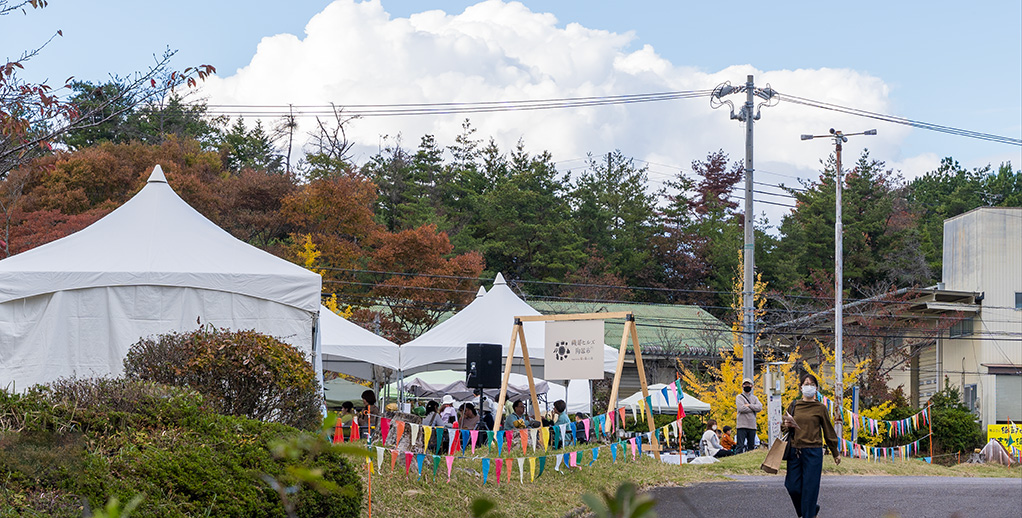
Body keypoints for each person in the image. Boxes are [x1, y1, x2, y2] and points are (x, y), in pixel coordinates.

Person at [781, 373, 840, 518]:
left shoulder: (820, 408)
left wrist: (835, 452)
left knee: (810, 489)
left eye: (812, 384)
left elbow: (828, 430)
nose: (809, 387)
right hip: (795, 451)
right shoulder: (794, 405)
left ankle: (809, 514)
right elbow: (783, 428)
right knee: (792, 486)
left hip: (813, 452)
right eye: (806, 384)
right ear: (801, 387)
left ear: (816, 388)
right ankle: (811, 509)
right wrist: (787, 425)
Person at [735, 378, 762, 453]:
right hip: (742, 425)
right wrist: (753, 408)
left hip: (752, 426)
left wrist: (749, 405)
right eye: (745, 384)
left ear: (752, 386)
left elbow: (759, 407)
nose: (747, 386)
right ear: (742, 386)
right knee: (740, 446)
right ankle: (738, 460)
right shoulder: (739, 397)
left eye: (749, 384)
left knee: (751, 446)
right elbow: (741, 408)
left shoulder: (755, 398)